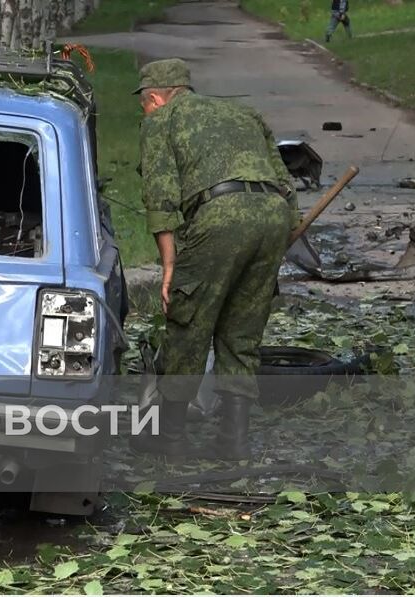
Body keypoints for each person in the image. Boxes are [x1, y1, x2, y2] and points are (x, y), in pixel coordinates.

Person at [131, 58, 299, 461]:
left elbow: (161, 199)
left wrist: (170, 268)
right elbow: (287, 185)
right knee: (242, 331)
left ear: (155, 98)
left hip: (220, 216)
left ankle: (170, 439)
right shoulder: (244, 113)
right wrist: (276, 235)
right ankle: (234, 443)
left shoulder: (161, 121)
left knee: (188, 323)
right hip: (273, 215)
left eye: (144, 103)